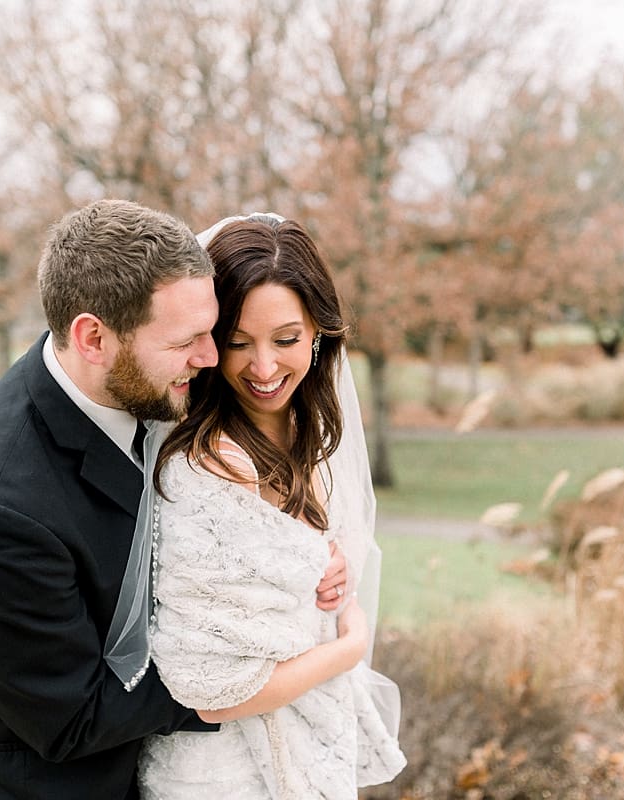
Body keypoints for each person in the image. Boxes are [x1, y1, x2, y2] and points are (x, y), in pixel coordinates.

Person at [0, 199, 348, 799]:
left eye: (210, 334)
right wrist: (251, 680)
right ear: (93, 337)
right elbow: (72, 718)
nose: (208, 360)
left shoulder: (129, 386)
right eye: (188, 341)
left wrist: (298, 561)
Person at [105, 213, 406, 798]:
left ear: (319, 332)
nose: (264, 369)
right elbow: (211, 688)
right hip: (226, 773)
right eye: (236, 343)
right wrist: (347, 647)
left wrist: (325, 564)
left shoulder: (309, 430)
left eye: (286, 340)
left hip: (296, 754)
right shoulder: (210, 464)